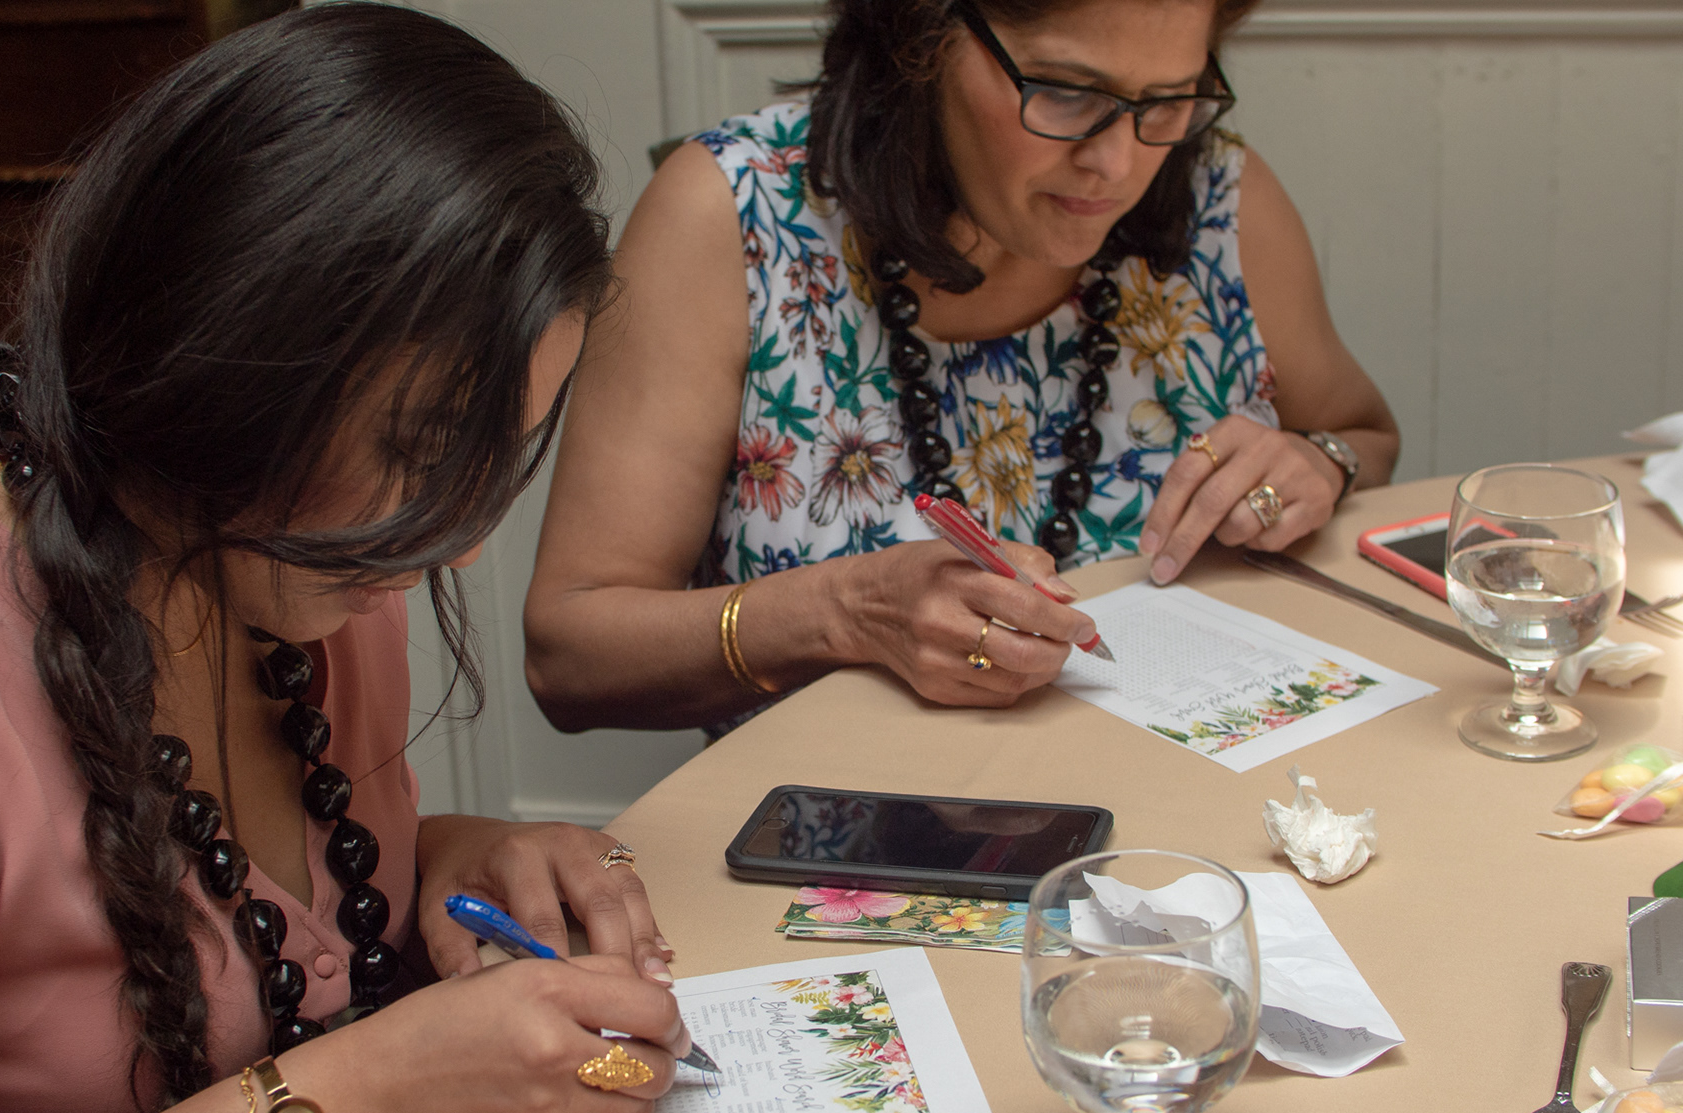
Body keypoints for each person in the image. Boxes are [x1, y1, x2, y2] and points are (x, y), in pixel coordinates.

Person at [0, 8, 691, 1113]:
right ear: (228, 357)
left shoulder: (302, 566)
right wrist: (354, 1103)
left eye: (497, 459)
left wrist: (457, 858)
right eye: (423, 450)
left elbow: (254, 926)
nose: (461, 546)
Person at [524, 0, 1399, 732]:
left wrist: (1317, 461)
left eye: (1167, 100)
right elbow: (569, 659)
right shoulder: (734, 214)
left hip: (1187, 819)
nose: (1118, 162)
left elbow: (1362, 435)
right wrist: (841, 611)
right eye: (1066, 92)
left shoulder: (1219, 195)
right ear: (920, 40)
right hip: (849, 849)